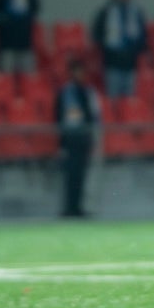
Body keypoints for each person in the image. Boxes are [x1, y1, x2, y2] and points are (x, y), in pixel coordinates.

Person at [56, 57, 102, 217]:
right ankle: (70, 208)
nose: (80, 74)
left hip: (83, 139)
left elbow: (92, 114)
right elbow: (68, 116)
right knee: (71, 176)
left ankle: (77, 207)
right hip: (71, 139)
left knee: (81, 176)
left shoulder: (86, 91)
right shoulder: (68, 92)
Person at [91, 0, 148, 99]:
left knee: (129, 98)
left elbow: (142, 35)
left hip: (130, 61)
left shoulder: (136, 12)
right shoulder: (106, 12)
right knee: (113, 97)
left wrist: (135, 50)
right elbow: (97, 34)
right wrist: (108, 49)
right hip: (112, 61)